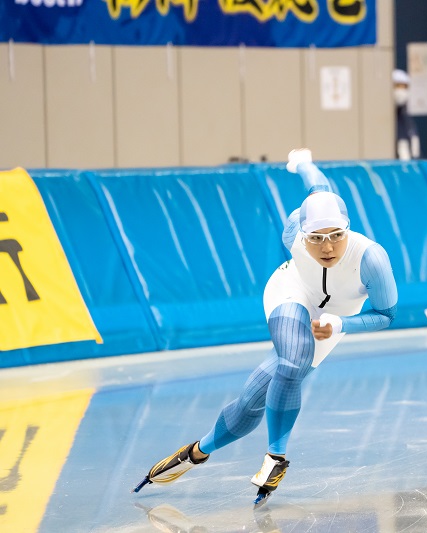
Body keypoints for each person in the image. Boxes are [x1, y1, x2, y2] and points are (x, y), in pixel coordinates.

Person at [133, 148, 399, 506]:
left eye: (336, 235)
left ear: (347, 229)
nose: (327, 246)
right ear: (301, 234)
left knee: (251, 401)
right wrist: (300, 164)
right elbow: (314, 191)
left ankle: (196, 452)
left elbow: (386, 315)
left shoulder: (371, 259)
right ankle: (276, 457)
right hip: (290, 291)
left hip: (333, 321)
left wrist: (342, 324)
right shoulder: (293, 231)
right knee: (292, 359)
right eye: (316, 238)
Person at [392, 69, 420, 161]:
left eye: (405, 87)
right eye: (398, 86)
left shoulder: (407, 120)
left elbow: (415, 151)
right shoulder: (386, 120)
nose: (401, 91)